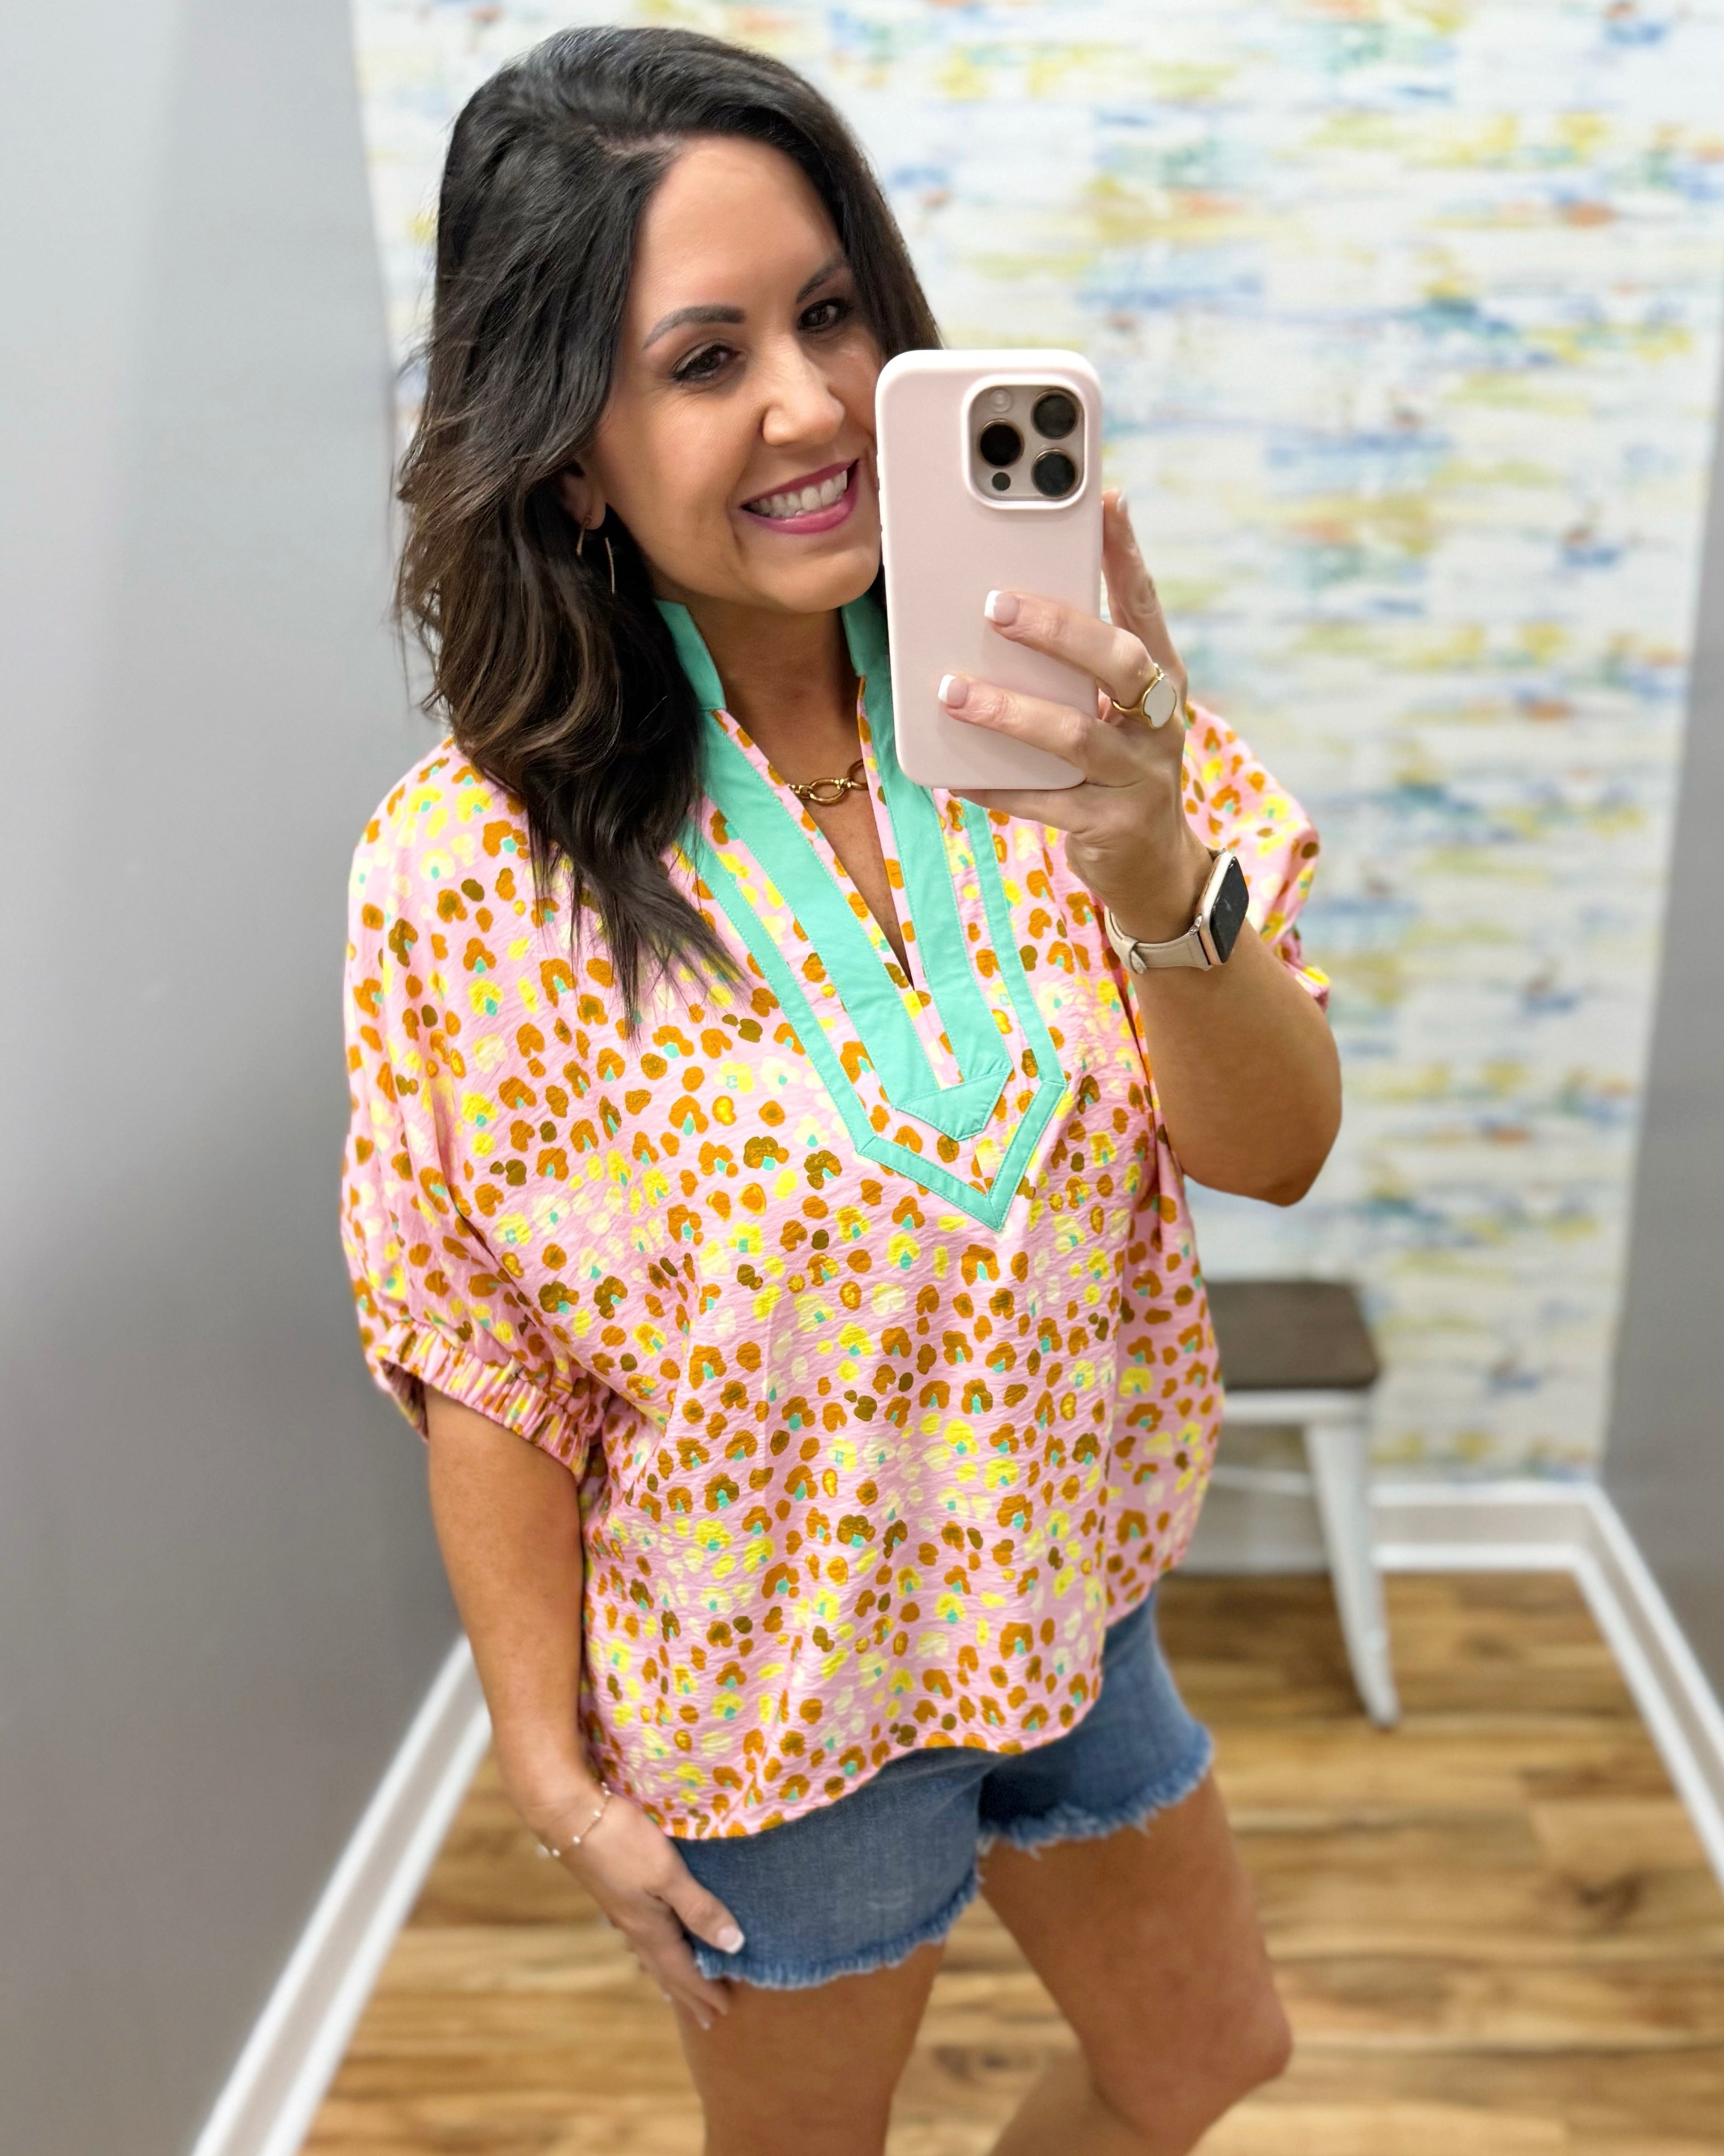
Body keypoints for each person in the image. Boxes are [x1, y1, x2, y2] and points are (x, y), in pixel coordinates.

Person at [341, 26, 1341, 2155]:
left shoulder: (1072, 718)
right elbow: (479, 1354)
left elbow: (1270, 1151)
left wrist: (1149, 854)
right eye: (701, 361)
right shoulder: (466, 867)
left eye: (827, 314)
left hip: (1071, 1611)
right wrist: (551, 1775)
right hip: (770, 1715)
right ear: (572, 452)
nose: (803, 402)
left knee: (1201, 2061)